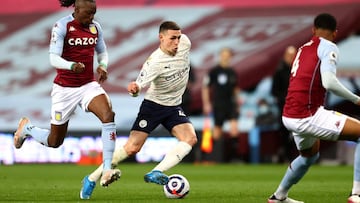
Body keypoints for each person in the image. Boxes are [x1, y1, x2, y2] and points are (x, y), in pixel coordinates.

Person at [13, 0, 120, 199]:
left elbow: (102, 51)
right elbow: (53, 58)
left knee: (108, 114)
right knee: (55, 142)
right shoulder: (62, 26)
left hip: (88, 85)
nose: (92, 18)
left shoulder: (95, 28)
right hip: (64, 89)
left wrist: (103, 65)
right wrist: (71, 66)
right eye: (88, 14)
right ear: (76, 10)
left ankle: (106, 169)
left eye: (94, 13)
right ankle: (27, 129)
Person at [79, 21, 198, 199]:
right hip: (154, 106)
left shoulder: (185, 43)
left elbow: (182, 43)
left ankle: (156, 172)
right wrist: (134, 89)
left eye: (179, 37)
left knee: (190, 138)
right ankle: (91, 178)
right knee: (132, 147)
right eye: (173, 38)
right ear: (161, 38)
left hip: (173, 106)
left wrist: (180, 39)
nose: (177, 42)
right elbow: (138, 86)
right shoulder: (154, 62)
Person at [267, 13, 360, 203]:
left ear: (313, 30)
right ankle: (357, 193)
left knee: (309, 155)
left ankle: (279, 196)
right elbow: (329, 82)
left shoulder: (302, 48)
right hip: (307, 115)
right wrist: (355, 99)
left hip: (290, 114)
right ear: (335, 33)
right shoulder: (329, 47)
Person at [202, 47, 241, 162]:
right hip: (219, 104)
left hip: (231, 104)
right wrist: (206, 103)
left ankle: (234, 158)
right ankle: (206, 156)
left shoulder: (232, 72)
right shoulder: (214, 71)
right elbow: (205, 88)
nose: (225, 57)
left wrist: (238, 102)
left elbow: (235, 89)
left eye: (227, 55)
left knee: (234, 129)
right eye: (223, 55)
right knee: (217, 133)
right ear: (220, 56)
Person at [271, 45, 297, 163]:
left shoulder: (298, 71)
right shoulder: (280, 71)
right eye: (289, 56)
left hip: (298, 107)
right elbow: (274, 91)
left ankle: (296, 155)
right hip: (284, 107)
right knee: (285, 132)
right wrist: (285, 98)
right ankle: (286, 155)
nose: (291, 58)